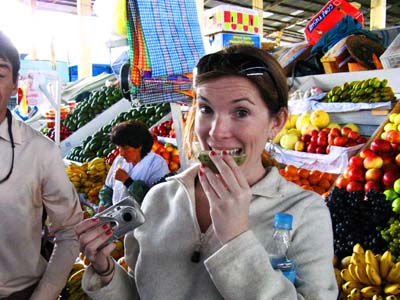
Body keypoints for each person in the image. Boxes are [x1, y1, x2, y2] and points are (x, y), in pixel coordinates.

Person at [76, 45, 338, 299]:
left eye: (241, 112)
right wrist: (106, 271)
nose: (216, 132)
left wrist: (236, 238)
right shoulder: (160, 199)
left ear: (277, 122)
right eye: (206, 109)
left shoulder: (305, 213)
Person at [0, 31, 83, 299]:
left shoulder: (40, 152)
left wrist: (44, 295)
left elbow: (70, 229)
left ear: (14, 86)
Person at [98, 120, 170, 209]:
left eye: (126, 148)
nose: (121, 153)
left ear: (139, 146)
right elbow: (107, 188)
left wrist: (128, 181)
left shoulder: (157, 164)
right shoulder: (120, 160)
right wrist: (104, 205)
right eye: (118, 147)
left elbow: (157, 200)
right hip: (120, 217)